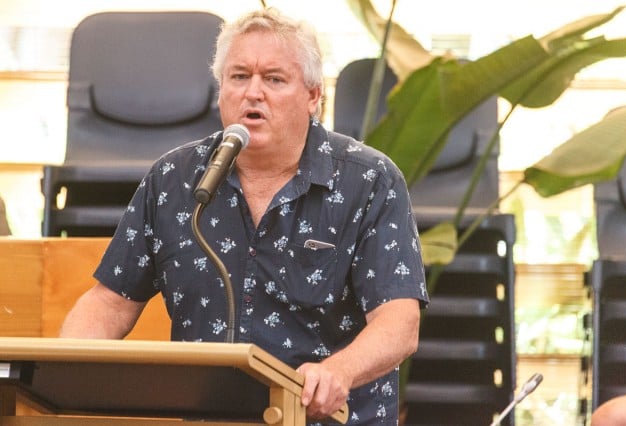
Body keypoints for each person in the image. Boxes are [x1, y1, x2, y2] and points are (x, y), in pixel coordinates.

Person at [59, 7, 428, 424]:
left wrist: (337, 372)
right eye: (239, 77)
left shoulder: (370, 181)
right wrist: (60, 373)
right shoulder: (175, 181)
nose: (253, 92)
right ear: (220, 91)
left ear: (313, 96)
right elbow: (109, 302)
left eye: (273, 79)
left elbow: (399, 321)